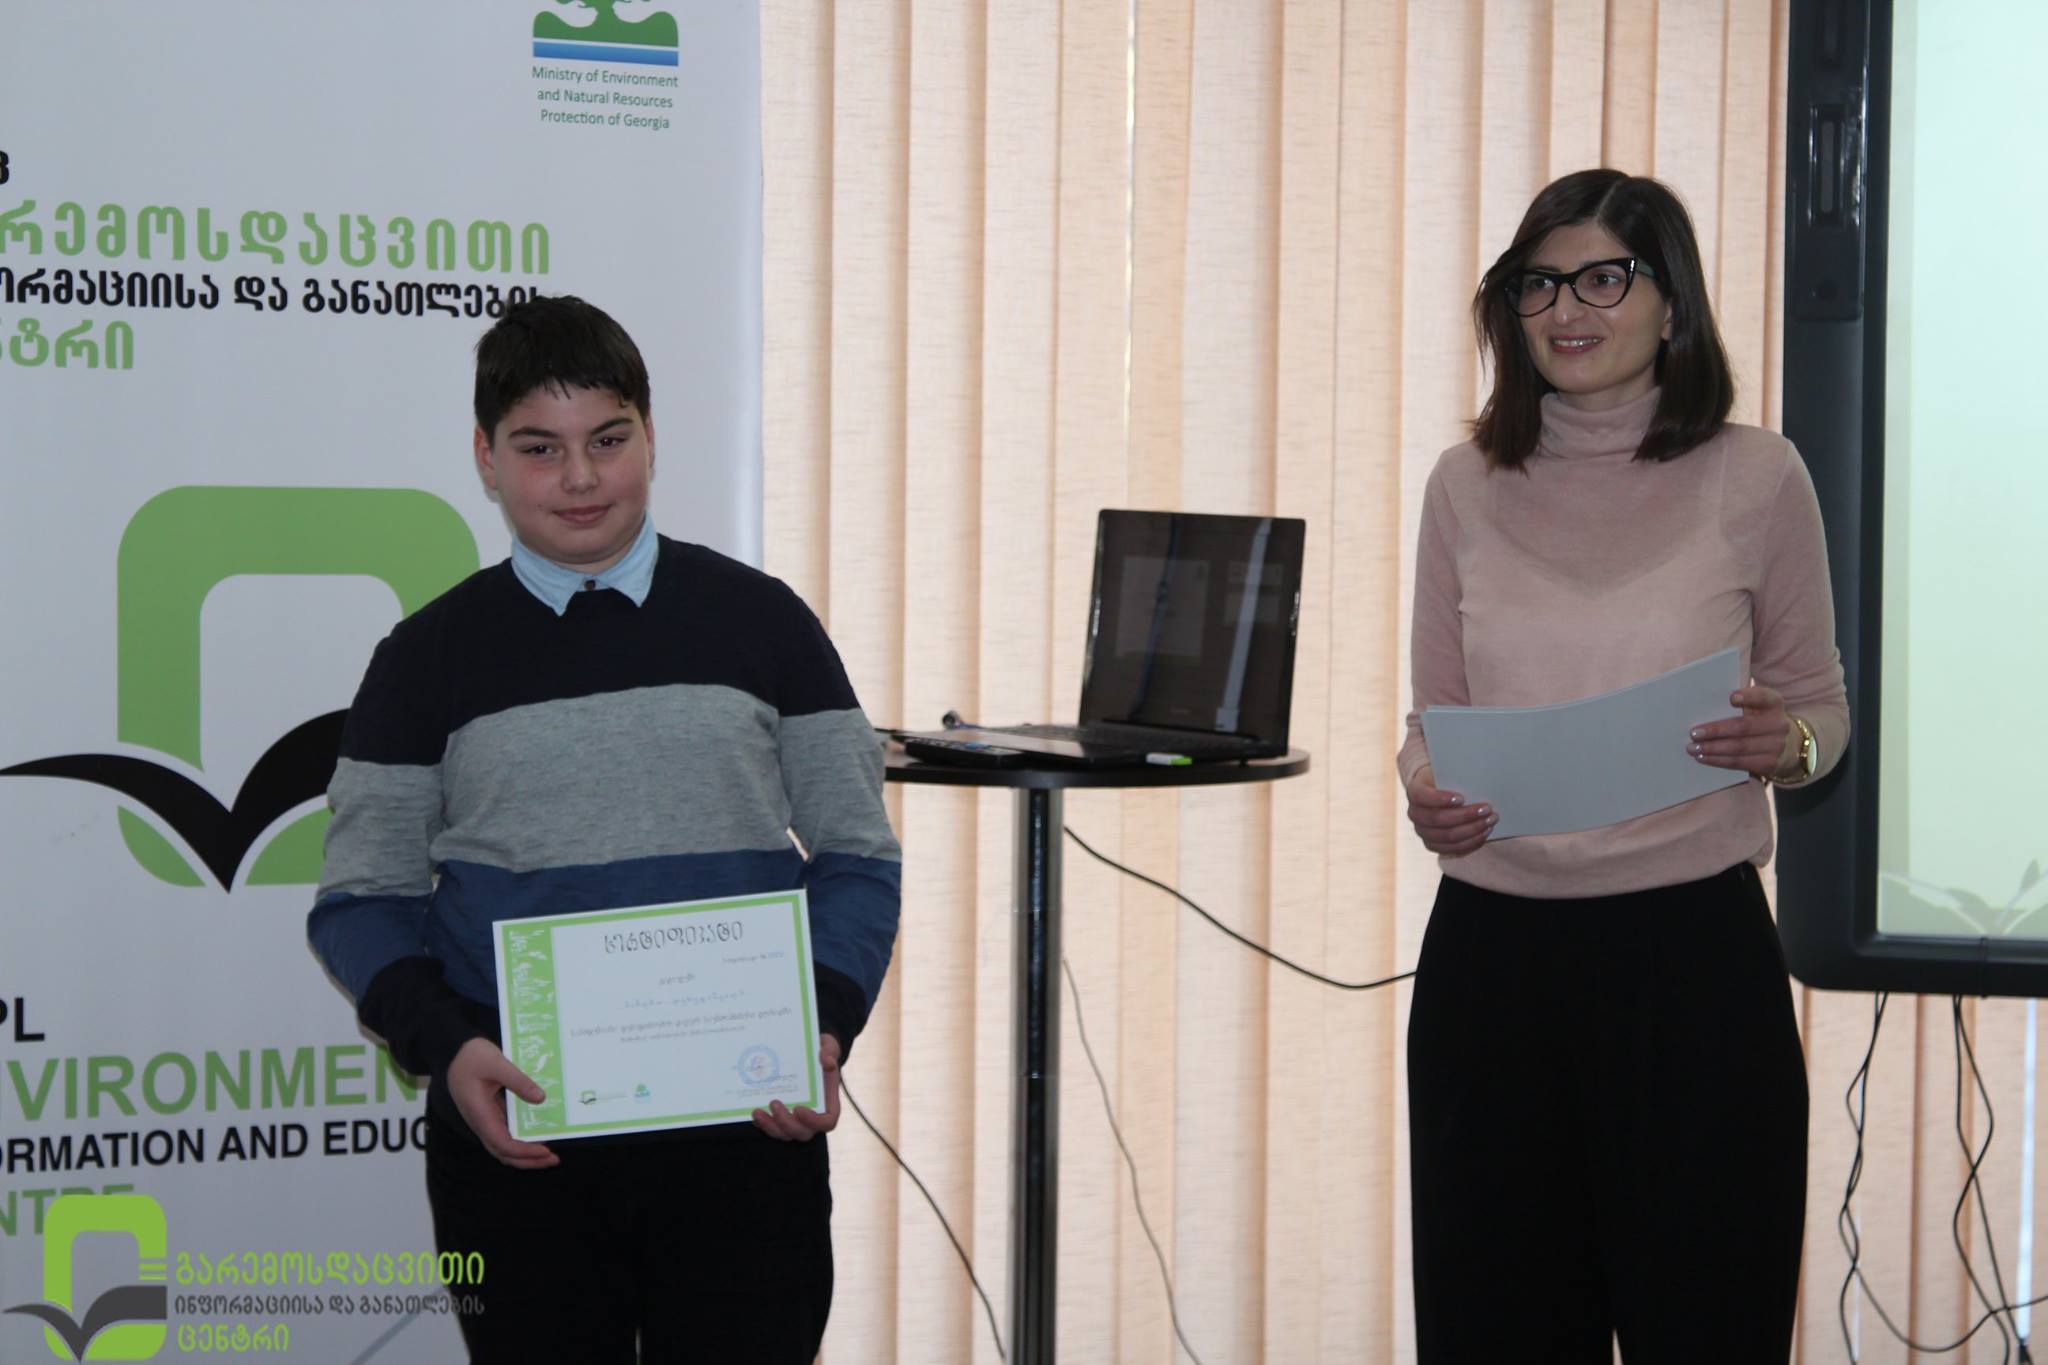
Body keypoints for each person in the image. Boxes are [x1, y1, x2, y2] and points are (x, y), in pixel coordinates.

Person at [307, 295, 901, 1363]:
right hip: (519, 1135)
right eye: (540, 448)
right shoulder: (425, 658)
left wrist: (820, 1021)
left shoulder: (764, 622)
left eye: (608, 440)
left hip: (745, 1127)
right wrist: (450, 1048)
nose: (580, 478)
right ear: (486, 459)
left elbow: (857, 855)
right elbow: (360, 901)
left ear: (651, 439)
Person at [1399, 170, 1845, 1362]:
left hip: (1689, 967)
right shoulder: (1462, 483)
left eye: (1602, 277)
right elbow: (1432, 717)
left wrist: (1787, 744)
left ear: (1670, 302)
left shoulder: (1758, 475)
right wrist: (1424, 789)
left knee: (1705, 1323)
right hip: (1492, 968)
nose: (1565, 309)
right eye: (1537, 284)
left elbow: (1818, 718)